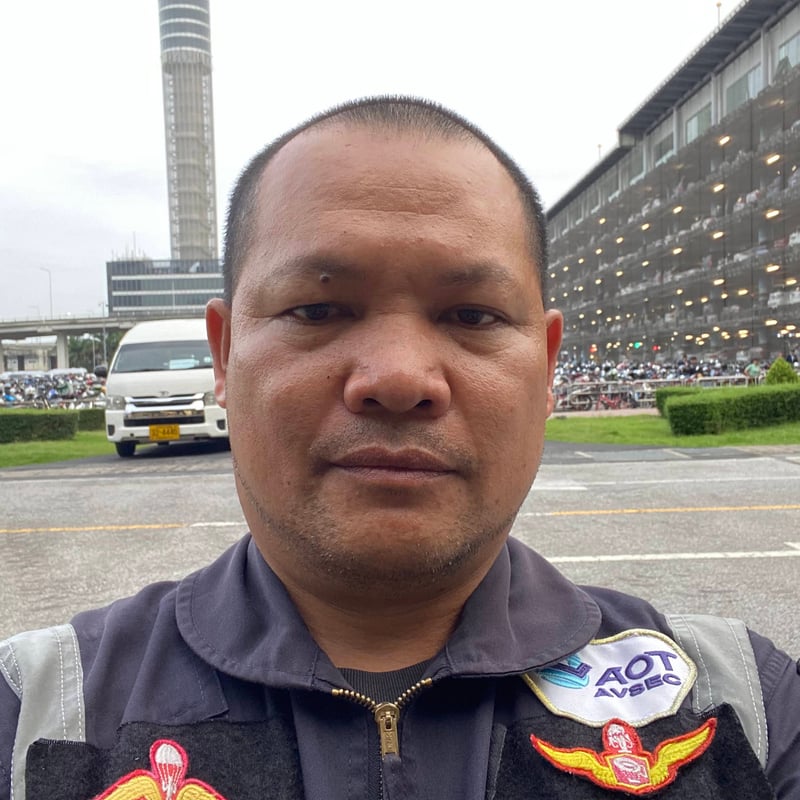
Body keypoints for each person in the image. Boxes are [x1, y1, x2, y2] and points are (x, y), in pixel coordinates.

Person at [1, 97, 798, 800]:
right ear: (225, 353)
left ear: (548, 367)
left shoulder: (745, 706)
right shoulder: (36, 713)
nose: (398, 377)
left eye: (473, 316)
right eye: (318, 310)